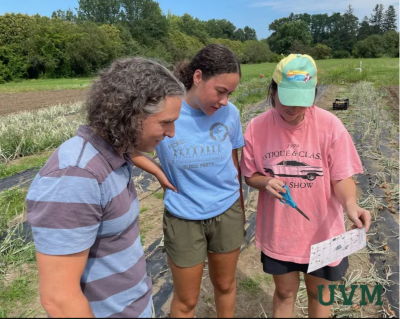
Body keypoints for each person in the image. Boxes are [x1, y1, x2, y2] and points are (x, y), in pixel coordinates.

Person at [26, 57, 185, 318]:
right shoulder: (77, 176)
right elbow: (59, 299)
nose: (172, 132)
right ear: (130, 115)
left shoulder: (117, 154)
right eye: (166, 121)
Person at [240, 54, 371, 318]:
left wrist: (351, 205)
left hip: (323, 232)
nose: (294, 109)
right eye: (287, 100)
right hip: (281, 232)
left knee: (319, 296)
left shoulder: (330, 126)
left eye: (302, 102)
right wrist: (265, 182)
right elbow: (249, 175)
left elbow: (341, 177)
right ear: (273, 91)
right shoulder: (257, 127)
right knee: (285, 293)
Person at [132, 44, 245, 318]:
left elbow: (233, 163)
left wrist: (240, 205)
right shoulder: (166, 111)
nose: (224, 101)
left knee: (226, 285)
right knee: (186, 301)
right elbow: (125, 147)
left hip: (227, 211)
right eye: (220, 91)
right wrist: (158, 171)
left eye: (230, 93)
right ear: (198, 77)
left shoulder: (231, 115)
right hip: (184, 217)